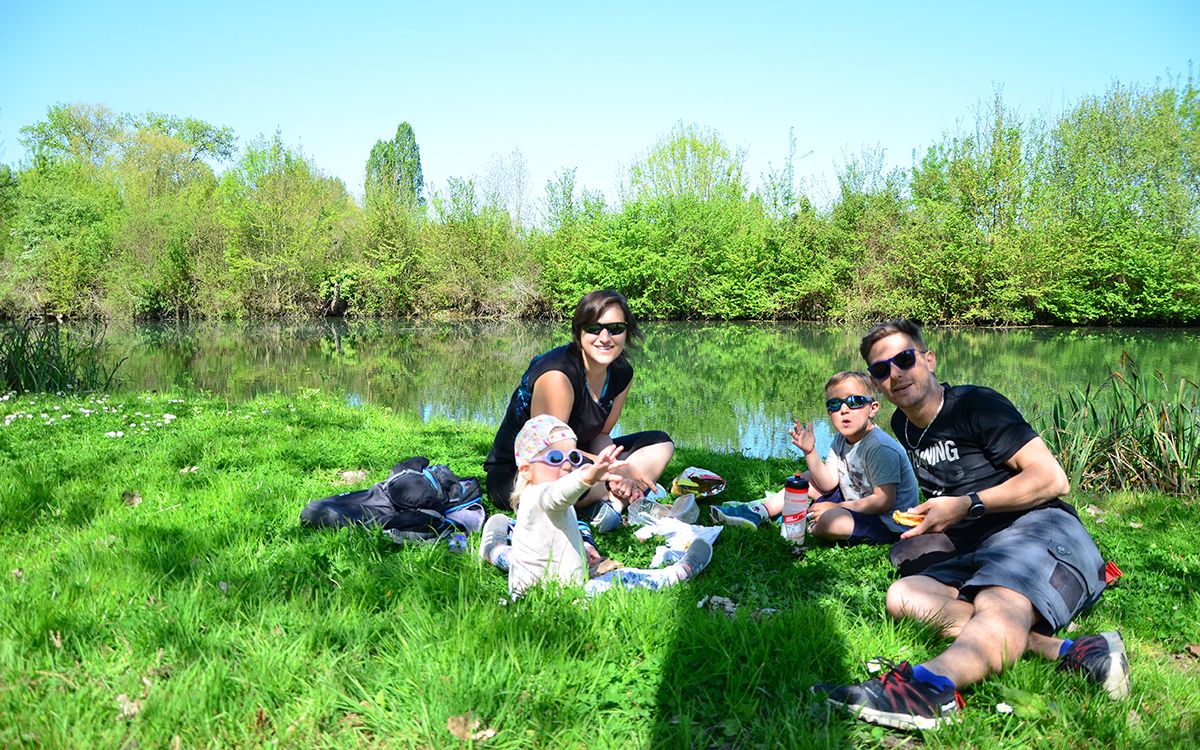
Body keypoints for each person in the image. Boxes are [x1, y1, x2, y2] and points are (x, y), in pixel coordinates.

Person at [820, 320, 1128, 731]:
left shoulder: (977, 405)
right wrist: (934, 519)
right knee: (904, 594)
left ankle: (931, 688)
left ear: (928, 360)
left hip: (1039, 529)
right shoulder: (904, 426)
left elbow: (1053, 479)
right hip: (978, 546)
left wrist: (968, 505)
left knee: (999, 602)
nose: (894, 373)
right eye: (881, 369)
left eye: (904, 359)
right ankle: (1068, 650)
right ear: (877, 385)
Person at [483, 290, 674, 534]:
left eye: (615, 328)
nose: (605, 337)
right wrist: (615, 469)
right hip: (525, 471)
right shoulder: (557, 375)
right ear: (578, 331)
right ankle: (618, 497)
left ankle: (612, 501)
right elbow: (550, 453)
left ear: (627, 331)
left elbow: (601, 434)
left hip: (578, 460)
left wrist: (613, 465)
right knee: (570, 477)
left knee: (661, 444)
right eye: (594, 328)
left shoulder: (621, 373)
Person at [478, 415, 711, 598]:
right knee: (625, 578)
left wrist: (583, 544)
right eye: (556, 458)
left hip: (534, 583)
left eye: (574, 458)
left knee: (519, 559)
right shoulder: (541, 495)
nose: (568, 465)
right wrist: (588, 475)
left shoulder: (539, 491)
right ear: (526, 469)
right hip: (560, 593)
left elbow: (564, 519)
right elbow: (559, 495)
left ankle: (494, 549)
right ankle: (676, 574)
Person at [710, 371, 920, 546]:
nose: (844, 410)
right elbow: (828, 481)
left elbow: (883, 501)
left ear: (872, 408)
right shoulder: (841, 439)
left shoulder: (880, 448)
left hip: (887, 521)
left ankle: (803, 521)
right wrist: (810, 452)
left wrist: (837, 508)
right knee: (807, 479)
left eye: (854, 401)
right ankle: (759, 512)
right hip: (854, 501)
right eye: (835, 405)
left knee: (830, 522)